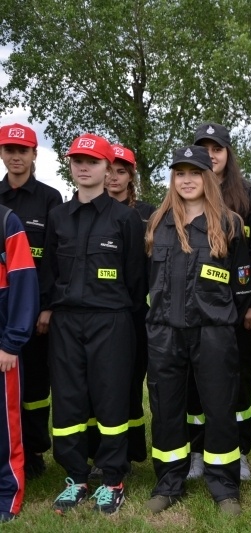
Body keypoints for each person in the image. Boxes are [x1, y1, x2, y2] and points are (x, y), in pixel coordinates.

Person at [39, 133, 146, 514]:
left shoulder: (125, 218)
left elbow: (137, 279)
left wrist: (118, 314)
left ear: (107, 169)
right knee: (68, 400)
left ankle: (112, 479)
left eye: (92, 161)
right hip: (66, 322)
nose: (83, 167)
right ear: (70, 166)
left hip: (111, 321)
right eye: (77, 160)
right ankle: (75, 477)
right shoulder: (58, 217)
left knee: (111, 398)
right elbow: (49, 271)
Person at [143, 145, 250, 515]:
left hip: (214, 332)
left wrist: (220, 319)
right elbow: (147, 280)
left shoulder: (230, 223)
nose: (187, 180)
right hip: (164, 332)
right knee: (166, 407)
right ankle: (169, 482)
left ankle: (224, 487)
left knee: (220, 408)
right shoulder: (157, 222)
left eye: (195, 173)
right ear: (172, 179)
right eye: (179, 173)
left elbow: (241, 285)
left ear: (208, 177)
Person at [187, 123, 251, 482]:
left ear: (228, 154)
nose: (211, 155)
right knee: (196, 382)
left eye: (216, 148)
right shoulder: (185, 195)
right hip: (197, 311)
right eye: (203, 149)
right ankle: (198, 452)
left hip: (240, 310)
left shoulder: (249, 196)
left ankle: (240, 452)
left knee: (240, 380)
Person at [86, 145, 154, 471]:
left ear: (132, 176)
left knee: (127, 383)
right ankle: (100, 452)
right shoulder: (87, 209)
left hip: (133, 311)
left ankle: (129, 451)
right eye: (110, 169)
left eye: (121, 171)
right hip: (94, 311)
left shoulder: (146, 213)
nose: (114, 177)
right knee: (95, 385)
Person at [0, 123, 62, 480]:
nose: (16, 157)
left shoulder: (50, 198)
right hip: (3, 309)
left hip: (37, 310)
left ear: (34, 154)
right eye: (10, 150)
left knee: (36, 386)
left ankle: (35, 451)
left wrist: (48, 306)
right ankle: (9, 448)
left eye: (22, 151)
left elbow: (55, 257)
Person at [0, 203, 39, 522]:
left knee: (5, 425)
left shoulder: (6, 221)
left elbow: (24, 282)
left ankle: (7, 494)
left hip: (2, 347)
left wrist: (12, 342)